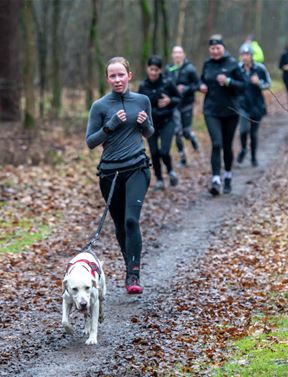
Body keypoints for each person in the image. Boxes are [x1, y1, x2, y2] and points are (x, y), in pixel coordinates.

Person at [85, 57, 154, 294]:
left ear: (129, 75)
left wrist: (144, 125)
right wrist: (109, 126)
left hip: (137, 168)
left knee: (131, 220)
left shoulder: (142, 100)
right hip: (109, 174)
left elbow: (149, 132)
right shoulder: (100, 106)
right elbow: (90, 142)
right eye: (112, 76)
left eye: (120, 75)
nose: (117, 80)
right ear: (107, 79)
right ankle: (128, 265)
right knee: (120, 225)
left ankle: (132, 275)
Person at [199, 34, 245, 196]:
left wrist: (229, 82)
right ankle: (216, 179)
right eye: (212, 48)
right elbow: (201, 79)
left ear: (223, 48)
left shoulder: (233, 64)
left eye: (218, 48)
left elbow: (243, 86)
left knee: (227, 145)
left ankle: (228, 176)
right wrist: (201, 86)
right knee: (216, 143)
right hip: (211, 110)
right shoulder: (207, 64)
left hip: (231, 111)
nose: (215, 51)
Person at [139, 55, 181, 191]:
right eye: (151, 69)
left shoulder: (167, 83)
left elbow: (178, 98)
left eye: (156, 70)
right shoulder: (143, 86)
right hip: (150, 124)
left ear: (160, 70)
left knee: (164, 151)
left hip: (167, 122)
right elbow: (137, 103)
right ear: (147, 69)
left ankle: (170, 171)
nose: (153, 72)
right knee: (154, 152)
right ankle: (159, 180)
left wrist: (170, 101)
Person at [164, 46, 200, 167]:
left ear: (183, 55)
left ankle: (192, 137)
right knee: (177, 132)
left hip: (187, 104)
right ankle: (183, 158)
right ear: (172, 55)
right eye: (175, 52)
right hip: (174, 105)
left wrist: (186, 88)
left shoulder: (190, 69)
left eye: (179, 52)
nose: (177, 55)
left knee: (186, 132)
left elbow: (198, 85)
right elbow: (164, 84)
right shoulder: (168, 69)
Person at [237, 44, 271, 167]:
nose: (245, 57)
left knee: (253, 133)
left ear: (251, 56)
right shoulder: (237, 69)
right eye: (243, 55)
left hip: (257, 105)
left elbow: (268, 84)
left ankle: (253, 157)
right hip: (242, 105)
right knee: (243, 131)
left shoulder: (260, 69)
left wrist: (259, 83)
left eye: (247, 55)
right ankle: (243, 149)